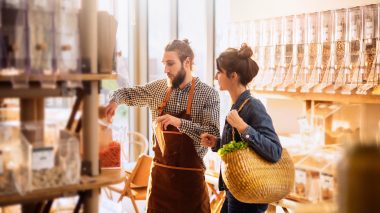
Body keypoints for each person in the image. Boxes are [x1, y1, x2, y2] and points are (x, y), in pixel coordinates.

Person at [105, 39, 220, 212]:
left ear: (187, 62)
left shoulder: (208, 94)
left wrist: (180, 123)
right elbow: (129, 93)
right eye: (164, 64)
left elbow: (211, 135)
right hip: (160, 186)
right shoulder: (158, 89)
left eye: (170, 64)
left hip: (191, 188)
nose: (166, 70)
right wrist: (115, 101)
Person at [200, 43, 282, 213]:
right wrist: (217, 143)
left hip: (248, 197)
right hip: (236, 191)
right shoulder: (237, 106)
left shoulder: (253, 106)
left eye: (220, 72)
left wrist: (243, 127)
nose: (216, 77)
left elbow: (274, 151)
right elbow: (242, 149)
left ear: (233, 76)